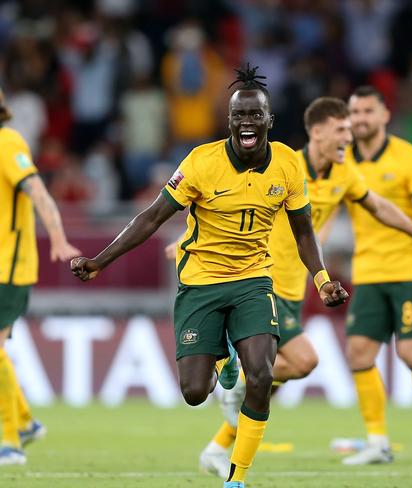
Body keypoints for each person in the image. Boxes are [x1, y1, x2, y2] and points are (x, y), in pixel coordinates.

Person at [70, 66, 349, 488]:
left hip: (255, 280)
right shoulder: (201, 162)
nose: (247, 123)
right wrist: (99, 260)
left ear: (269, 121)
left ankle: (236, 478)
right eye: (239, 116)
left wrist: (322, 278)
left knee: (262, 375)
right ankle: (225, 357)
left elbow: (303, 230)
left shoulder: (289, 165)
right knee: (195, 393)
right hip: (201, 284)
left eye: (255, 115)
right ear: (229, 121)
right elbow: (151, 217)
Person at [195, 96, 412, 478]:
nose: (349, 138)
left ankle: (218, 447)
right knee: (304, 361)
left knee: (275, 377)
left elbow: (379, 207)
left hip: (296, 287)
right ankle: (234, 376)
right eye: (341, 130)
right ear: (317, 133)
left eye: (350, 129)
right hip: (261, 280)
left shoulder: (344, 174)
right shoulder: (283, 165)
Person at [341, 85, 412, 465]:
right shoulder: (343, 161)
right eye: (355, 113)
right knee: (358, 352)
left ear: (385, 115)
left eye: (368, 112)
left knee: (411, 354)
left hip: (410, 268)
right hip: (368, 269)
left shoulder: (408, 157)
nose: (360, 120)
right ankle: (377, 441)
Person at [0, 88, 80, 465]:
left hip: (9, 269)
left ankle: (11, 441)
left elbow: (37, 190)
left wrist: (59, 238)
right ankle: (26, 423)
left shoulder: (7, 141)